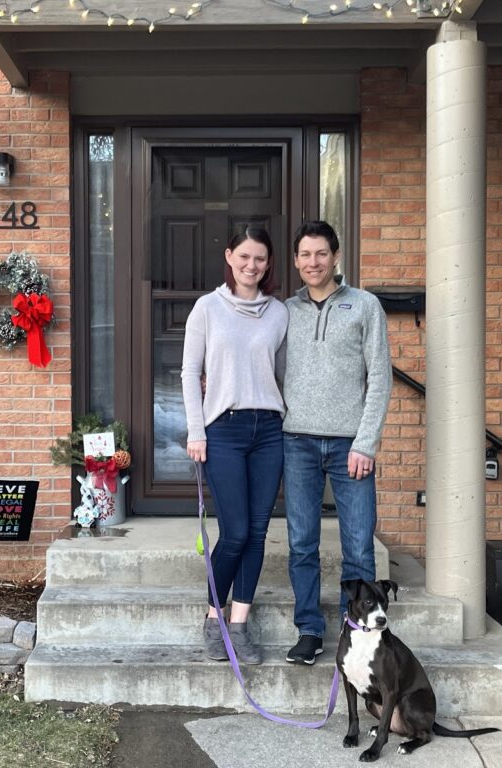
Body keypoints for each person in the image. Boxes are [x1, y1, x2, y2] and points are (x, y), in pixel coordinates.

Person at [281, 220, 392, 665]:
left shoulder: (365, 306)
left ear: (336, 256)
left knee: (359, 545)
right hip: (297, 443)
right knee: (302, 542)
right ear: (296, 260)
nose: (313, 262)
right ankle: (309, 629)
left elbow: (380, 377)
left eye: (321, 254)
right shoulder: (284, 311)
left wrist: (366, 443)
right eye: (305, 255)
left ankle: (361, 631)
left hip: (351, 446)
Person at [181, 226, 288, 665]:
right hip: (222, 429)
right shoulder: (207, 308)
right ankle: (214, 617)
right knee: (236, 532)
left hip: (269, 432)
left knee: (258, 532)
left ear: (268, 264)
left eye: (259, 258)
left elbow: (282, 374)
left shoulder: (279, 313)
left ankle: (239, 625)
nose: (251, 266)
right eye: (244, 256)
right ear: (229, 256)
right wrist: (196, 430)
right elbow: (190, 373)